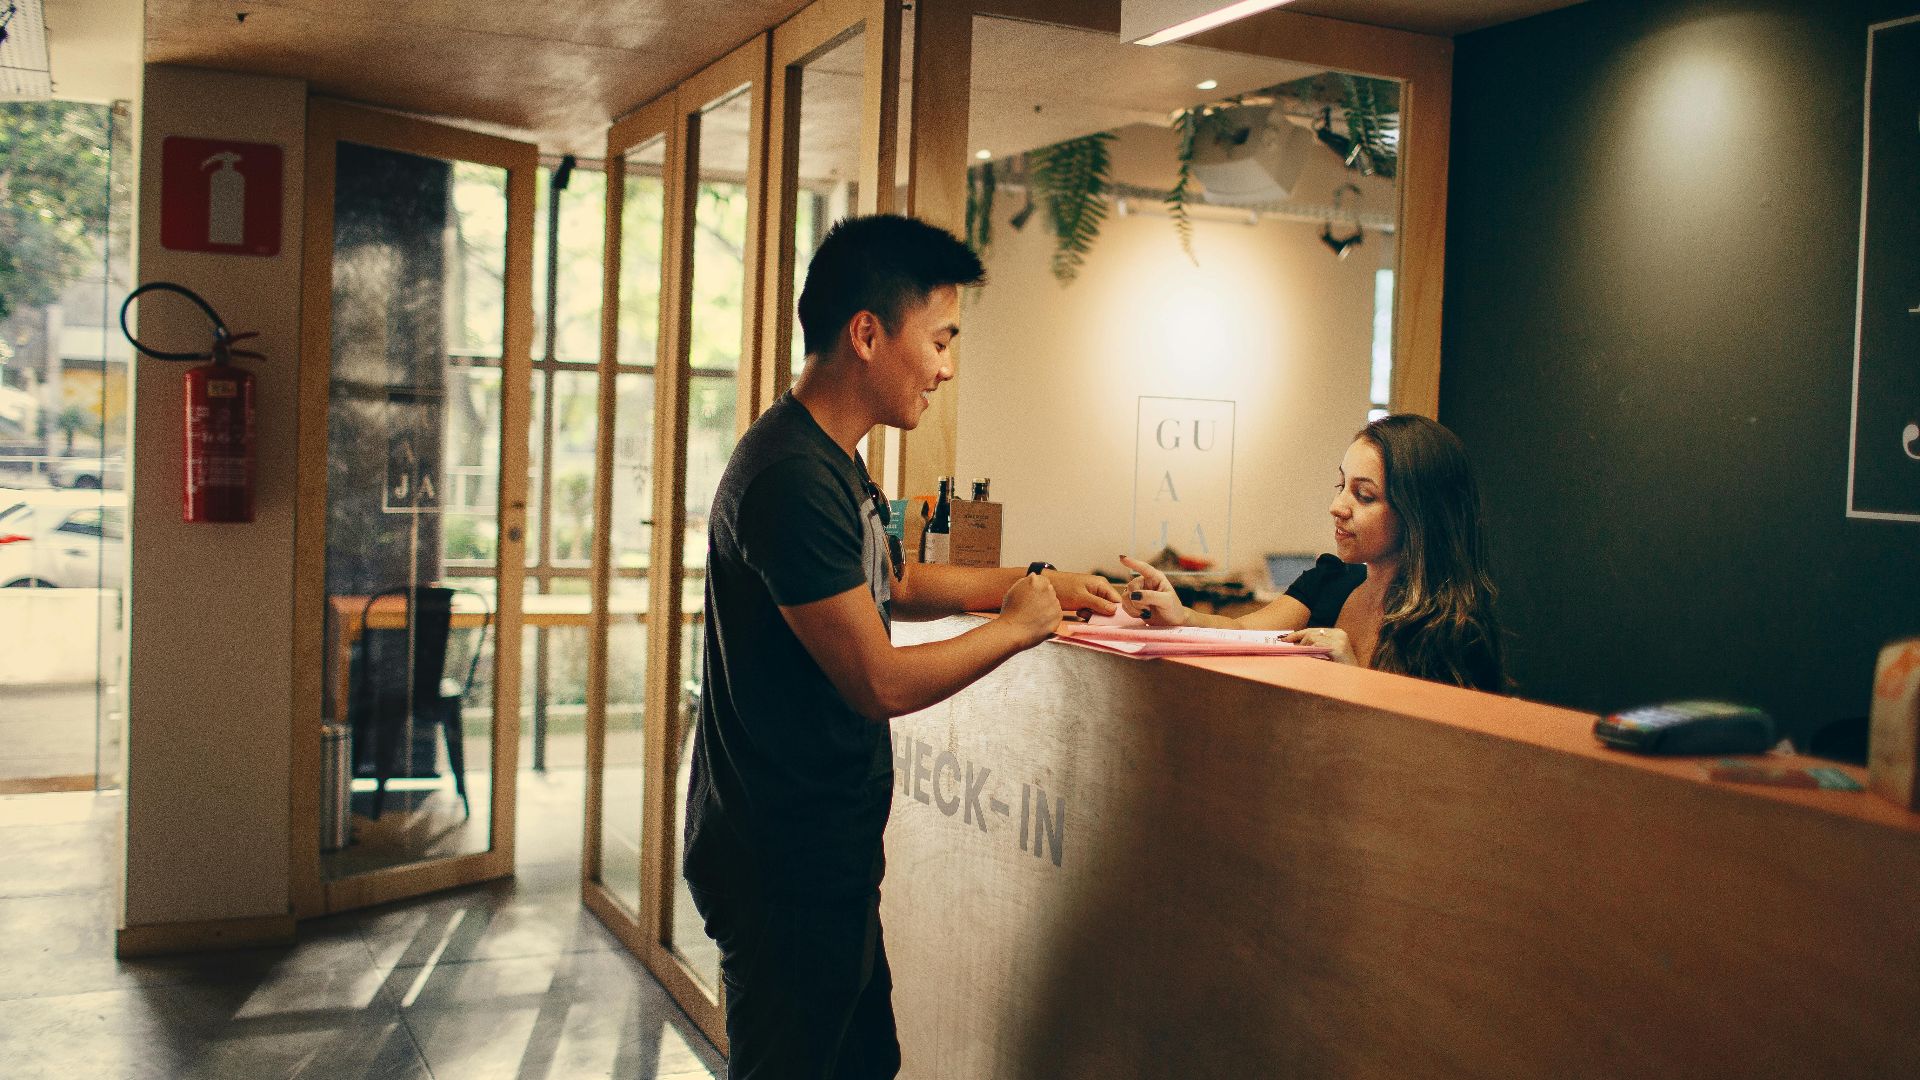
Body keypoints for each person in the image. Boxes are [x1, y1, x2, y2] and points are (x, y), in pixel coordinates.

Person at [684, 213, 1121, 1079]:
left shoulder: (835, 460)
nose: (947, 367)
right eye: (941, 338)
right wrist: (1016, 628)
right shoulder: (788, 477)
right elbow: (876, 681)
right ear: (869, 335)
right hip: (783, 861)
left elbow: (900, 583)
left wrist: (1038, 582)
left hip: (821, 852)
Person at [1120, 413, 1505, 692]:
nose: (1337, 506)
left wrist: (1352, 674)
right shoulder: (1330, 580)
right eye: (1341, 485)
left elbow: (1435, 757)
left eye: (1363, 495)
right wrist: (1178, 613)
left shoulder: (1454, 630)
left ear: (1419, 514)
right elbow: (1241, 633)